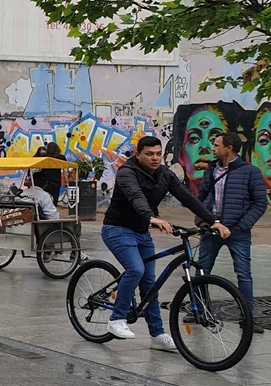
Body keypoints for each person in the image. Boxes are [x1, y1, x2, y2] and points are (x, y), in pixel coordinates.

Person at [102, 135, 227, 350]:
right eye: (149, 154)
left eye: (158, 154)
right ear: (137, 154)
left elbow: (188, 198)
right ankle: (116, 319)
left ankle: (157, 335)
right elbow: (135, 196)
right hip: (117, 229)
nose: (155, 158)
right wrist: (152, 217)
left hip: (141, 232)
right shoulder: (127, 173)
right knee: (136, 269)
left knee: (150, 284)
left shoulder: (165, 174)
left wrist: (214, 221)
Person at [195, 132, 266, 334]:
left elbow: (260, 203)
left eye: (217, 145)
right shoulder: (211, 170)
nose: (213, 148)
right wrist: (201, 220)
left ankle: (248, 318)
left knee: (244, 274)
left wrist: (242, 226)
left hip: (237, 232)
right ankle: (200, 310)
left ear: (229, 148)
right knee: (202, 270)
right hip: (211, 229)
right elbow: (201, 198)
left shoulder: (250, 172)